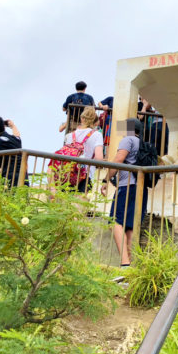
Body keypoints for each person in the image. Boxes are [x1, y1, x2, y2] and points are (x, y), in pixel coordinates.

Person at [102, 118, 149, 267]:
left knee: (114, 221)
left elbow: (118, 159)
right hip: (141, 188)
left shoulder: (127, 140)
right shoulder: (143, 143)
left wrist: (106, 179)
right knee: (130, 225)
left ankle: (124, 262)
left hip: (126, 186)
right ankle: (129, 263)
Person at [61, 106, 104, 194]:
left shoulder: (69, 135)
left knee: (64, 204)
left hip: (67, 174)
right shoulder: (97, 135)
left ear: (81, 118)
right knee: (79, 205)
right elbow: (99, 159)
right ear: (94, 120)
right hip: (85, 175)